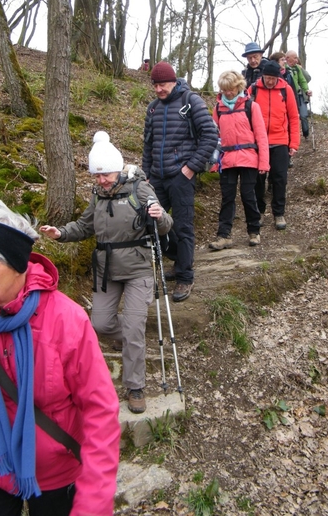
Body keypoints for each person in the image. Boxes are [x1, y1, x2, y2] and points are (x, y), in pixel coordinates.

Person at [0, 198, 120, 516]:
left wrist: (93, 503)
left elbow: (100, 411)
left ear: (16, 265)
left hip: (55, 475)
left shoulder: (66, 320)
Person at [41, 131, 172, 415]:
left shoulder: (140, 189)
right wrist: (61, 233)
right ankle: (134, 336)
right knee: (100, 324)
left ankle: (135, 386)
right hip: (106, 270)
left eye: (106, 174)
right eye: (96, 175)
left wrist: (160, 216)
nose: (101, 180)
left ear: (118, 168)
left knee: (135, 328)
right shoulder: (97, 196)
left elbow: (166, 225)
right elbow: (85, 226)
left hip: (138, 268)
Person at [142, 61, 217, 303]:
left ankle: (185, 276)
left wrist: (191, 167)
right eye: (155, 85)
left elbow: (210, 135)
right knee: (153, 224)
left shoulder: (190, 101)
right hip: (157, 178)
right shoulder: (153, 108)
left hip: (181, 177)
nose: (158, 90)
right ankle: (177, 258)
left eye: (162, 84)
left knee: (183, 226)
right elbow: (147, 144)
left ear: (173, 81)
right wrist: (146, 175)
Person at [209, 71, 269, 249]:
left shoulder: (251, 106)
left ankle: (254, 231)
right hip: (226, 160)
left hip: (249, 158)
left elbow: (261, 136)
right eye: (224, 89)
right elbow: (214, 138)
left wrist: (264, 162)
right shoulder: (218, 109)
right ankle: (224, 235)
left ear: (239, 86)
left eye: (231, 89)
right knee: (227, 197)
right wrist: (213, 161)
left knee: (248, 195)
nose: (228, 93)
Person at [248, 60, 300, 230]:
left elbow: (293, 117)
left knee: (279, 178)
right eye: (267, 78)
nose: (270, 81)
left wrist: (294, 143)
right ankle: (260, 212)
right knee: (258, 179)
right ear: (263, 75)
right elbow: (244, 114)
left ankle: (279, 213)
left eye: (273, 78)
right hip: (258, 141)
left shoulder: (286, 90)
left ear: (278, 77)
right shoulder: (253, 89)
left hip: (280, 140)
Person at [285, 50, 312, 140]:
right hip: (288, 96)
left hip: (299, 95)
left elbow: (303, 80)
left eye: (296, 58)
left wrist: (306, 89)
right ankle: (291, 137)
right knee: (292, 117)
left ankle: (306, 134)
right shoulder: (283, 68)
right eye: (295, 58)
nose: (297, 60)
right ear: (288, 58)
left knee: (304, 115)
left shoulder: (297, 68)